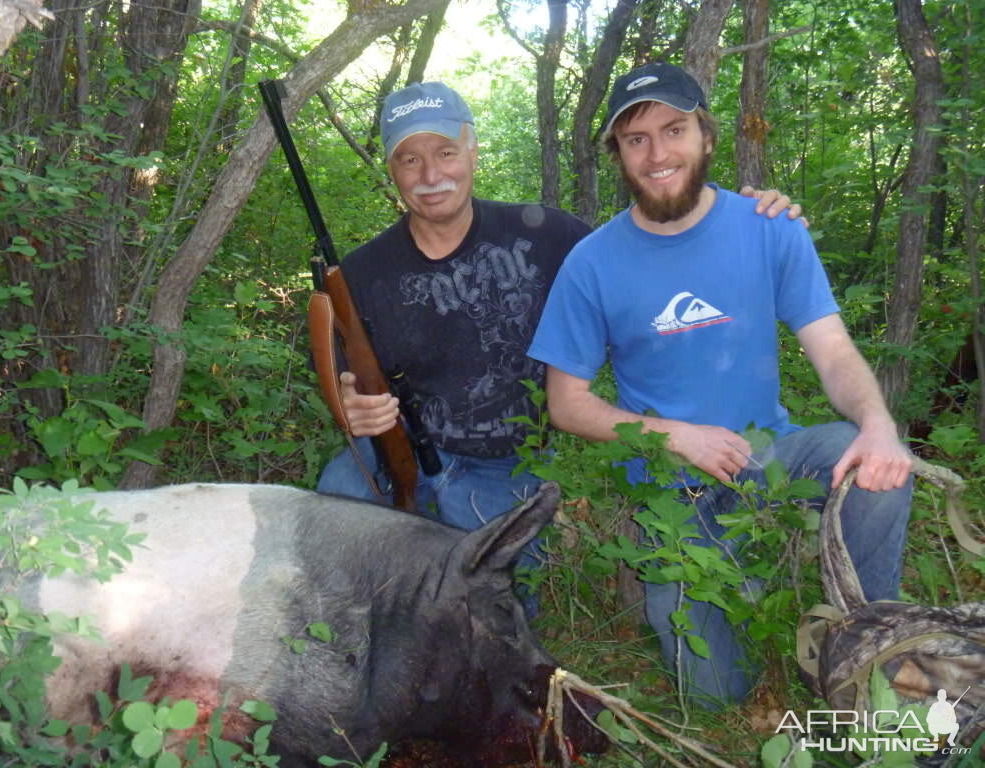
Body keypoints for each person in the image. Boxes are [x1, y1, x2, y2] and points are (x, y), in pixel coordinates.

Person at [527, 61, 913, 705]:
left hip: (770, 456)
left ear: (706, 135)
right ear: (618, 155)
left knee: (871, 463)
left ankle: (867, 650)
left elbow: (834, 351)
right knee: (713, 695)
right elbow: (566, 403)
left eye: (673, 130)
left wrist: (878, 426)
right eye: (636, 139)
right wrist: (677, 435)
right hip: (672, 498)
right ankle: (742, 602)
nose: (657, 154)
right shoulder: (592, 262)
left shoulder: (769, 228)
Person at [317, 80, 800, 563]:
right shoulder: (361, 273)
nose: (430, 174)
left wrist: (738, 216)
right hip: (401, 450)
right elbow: (346, 382)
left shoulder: (548, 234)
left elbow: (648, 252)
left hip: (507, 464)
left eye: (445, 152)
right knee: (334, 511)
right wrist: (352, 403)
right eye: (409, 159)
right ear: (392, 170)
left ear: (472, 152)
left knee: (492, 601)